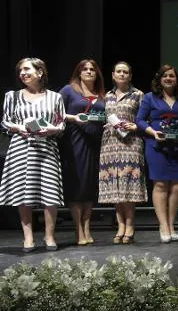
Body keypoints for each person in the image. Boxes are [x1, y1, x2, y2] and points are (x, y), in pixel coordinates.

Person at [0, 57, 65, 252]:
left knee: (50, 192)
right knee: (23, 192)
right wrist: (20, 127)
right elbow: (4, 122)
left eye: (27, 69)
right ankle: (28, 238)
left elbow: (61, 124)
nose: (23, 73)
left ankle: (49, 236)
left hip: (47, 148)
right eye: (20, 71)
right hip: (21, 148)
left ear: (40, 72)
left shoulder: (55, 97)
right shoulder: (12, 96)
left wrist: (51, 130)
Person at [136, 64, 178, 243]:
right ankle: (163, 225)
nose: (168, 78)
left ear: (176, 80)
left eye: (172, 76)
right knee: (160, 185)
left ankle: (171, 224)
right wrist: (153, 132)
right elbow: (140, 120)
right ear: (159, 79)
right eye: (165, 76)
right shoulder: (150, 98)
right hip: (156, 146)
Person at [98, 61, 147, 244]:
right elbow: (104, 115)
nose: (122, 74)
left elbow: (143, 120)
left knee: (128, 186)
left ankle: (130, 225)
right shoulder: (106, 96)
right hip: (110, 144)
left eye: (125, 72)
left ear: (130, 76)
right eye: (118, 71)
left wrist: (135, 126)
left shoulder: (138, 95)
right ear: (112, 75)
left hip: (131, 143)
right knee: (115, 188)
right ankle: (120, 226)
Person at [59, 59, 106, 245]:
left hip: (96, 141)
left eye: (92, 69)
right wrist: (74, 118)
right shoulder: (68, 90)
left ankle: (87, 226)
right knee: (77, 184)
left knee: (90, 185)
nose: (88, 72)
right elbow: (55, 113)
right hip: (74, 140)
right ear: (78, 73)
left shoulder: (101, 93)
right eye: (84, 69)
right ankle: (78, 229)